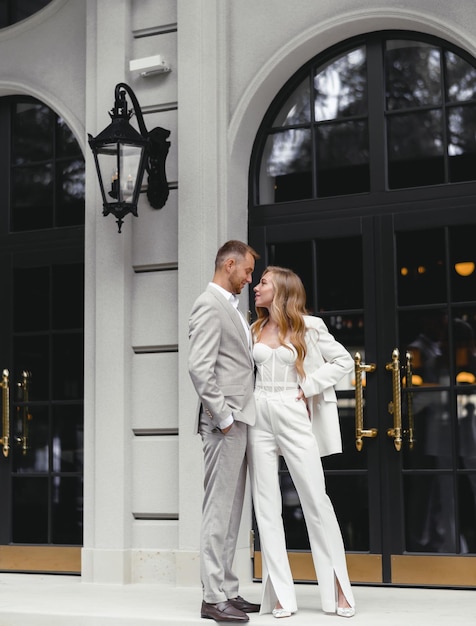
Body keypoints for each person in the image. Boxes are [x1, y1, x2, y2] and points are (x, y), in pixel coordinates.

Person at [248, 266, 356, 619]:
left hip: (293, 412)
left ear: (280, 289)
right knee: (266, 507)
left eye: (262, 282)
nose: (256, 286)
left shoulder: (309, 327)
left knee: (316, 500)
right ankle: (281, 594)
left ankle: (339, 588)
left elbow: (343, 361)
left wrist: (306, 388)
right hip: (258, 414)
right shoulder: (254, 328)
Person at [188, 240, 260, 623]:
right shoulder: (208, 304)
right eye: (247, 271)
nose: (249, 279)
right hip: (224, 423)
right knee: (218, 510)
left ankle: (228, 589)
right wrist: (225, 417)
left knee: (233, 511)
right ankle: (212, 597)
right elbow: (200, 368)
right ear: (229, 264)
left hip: (241, 419)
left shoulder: (233, 307)